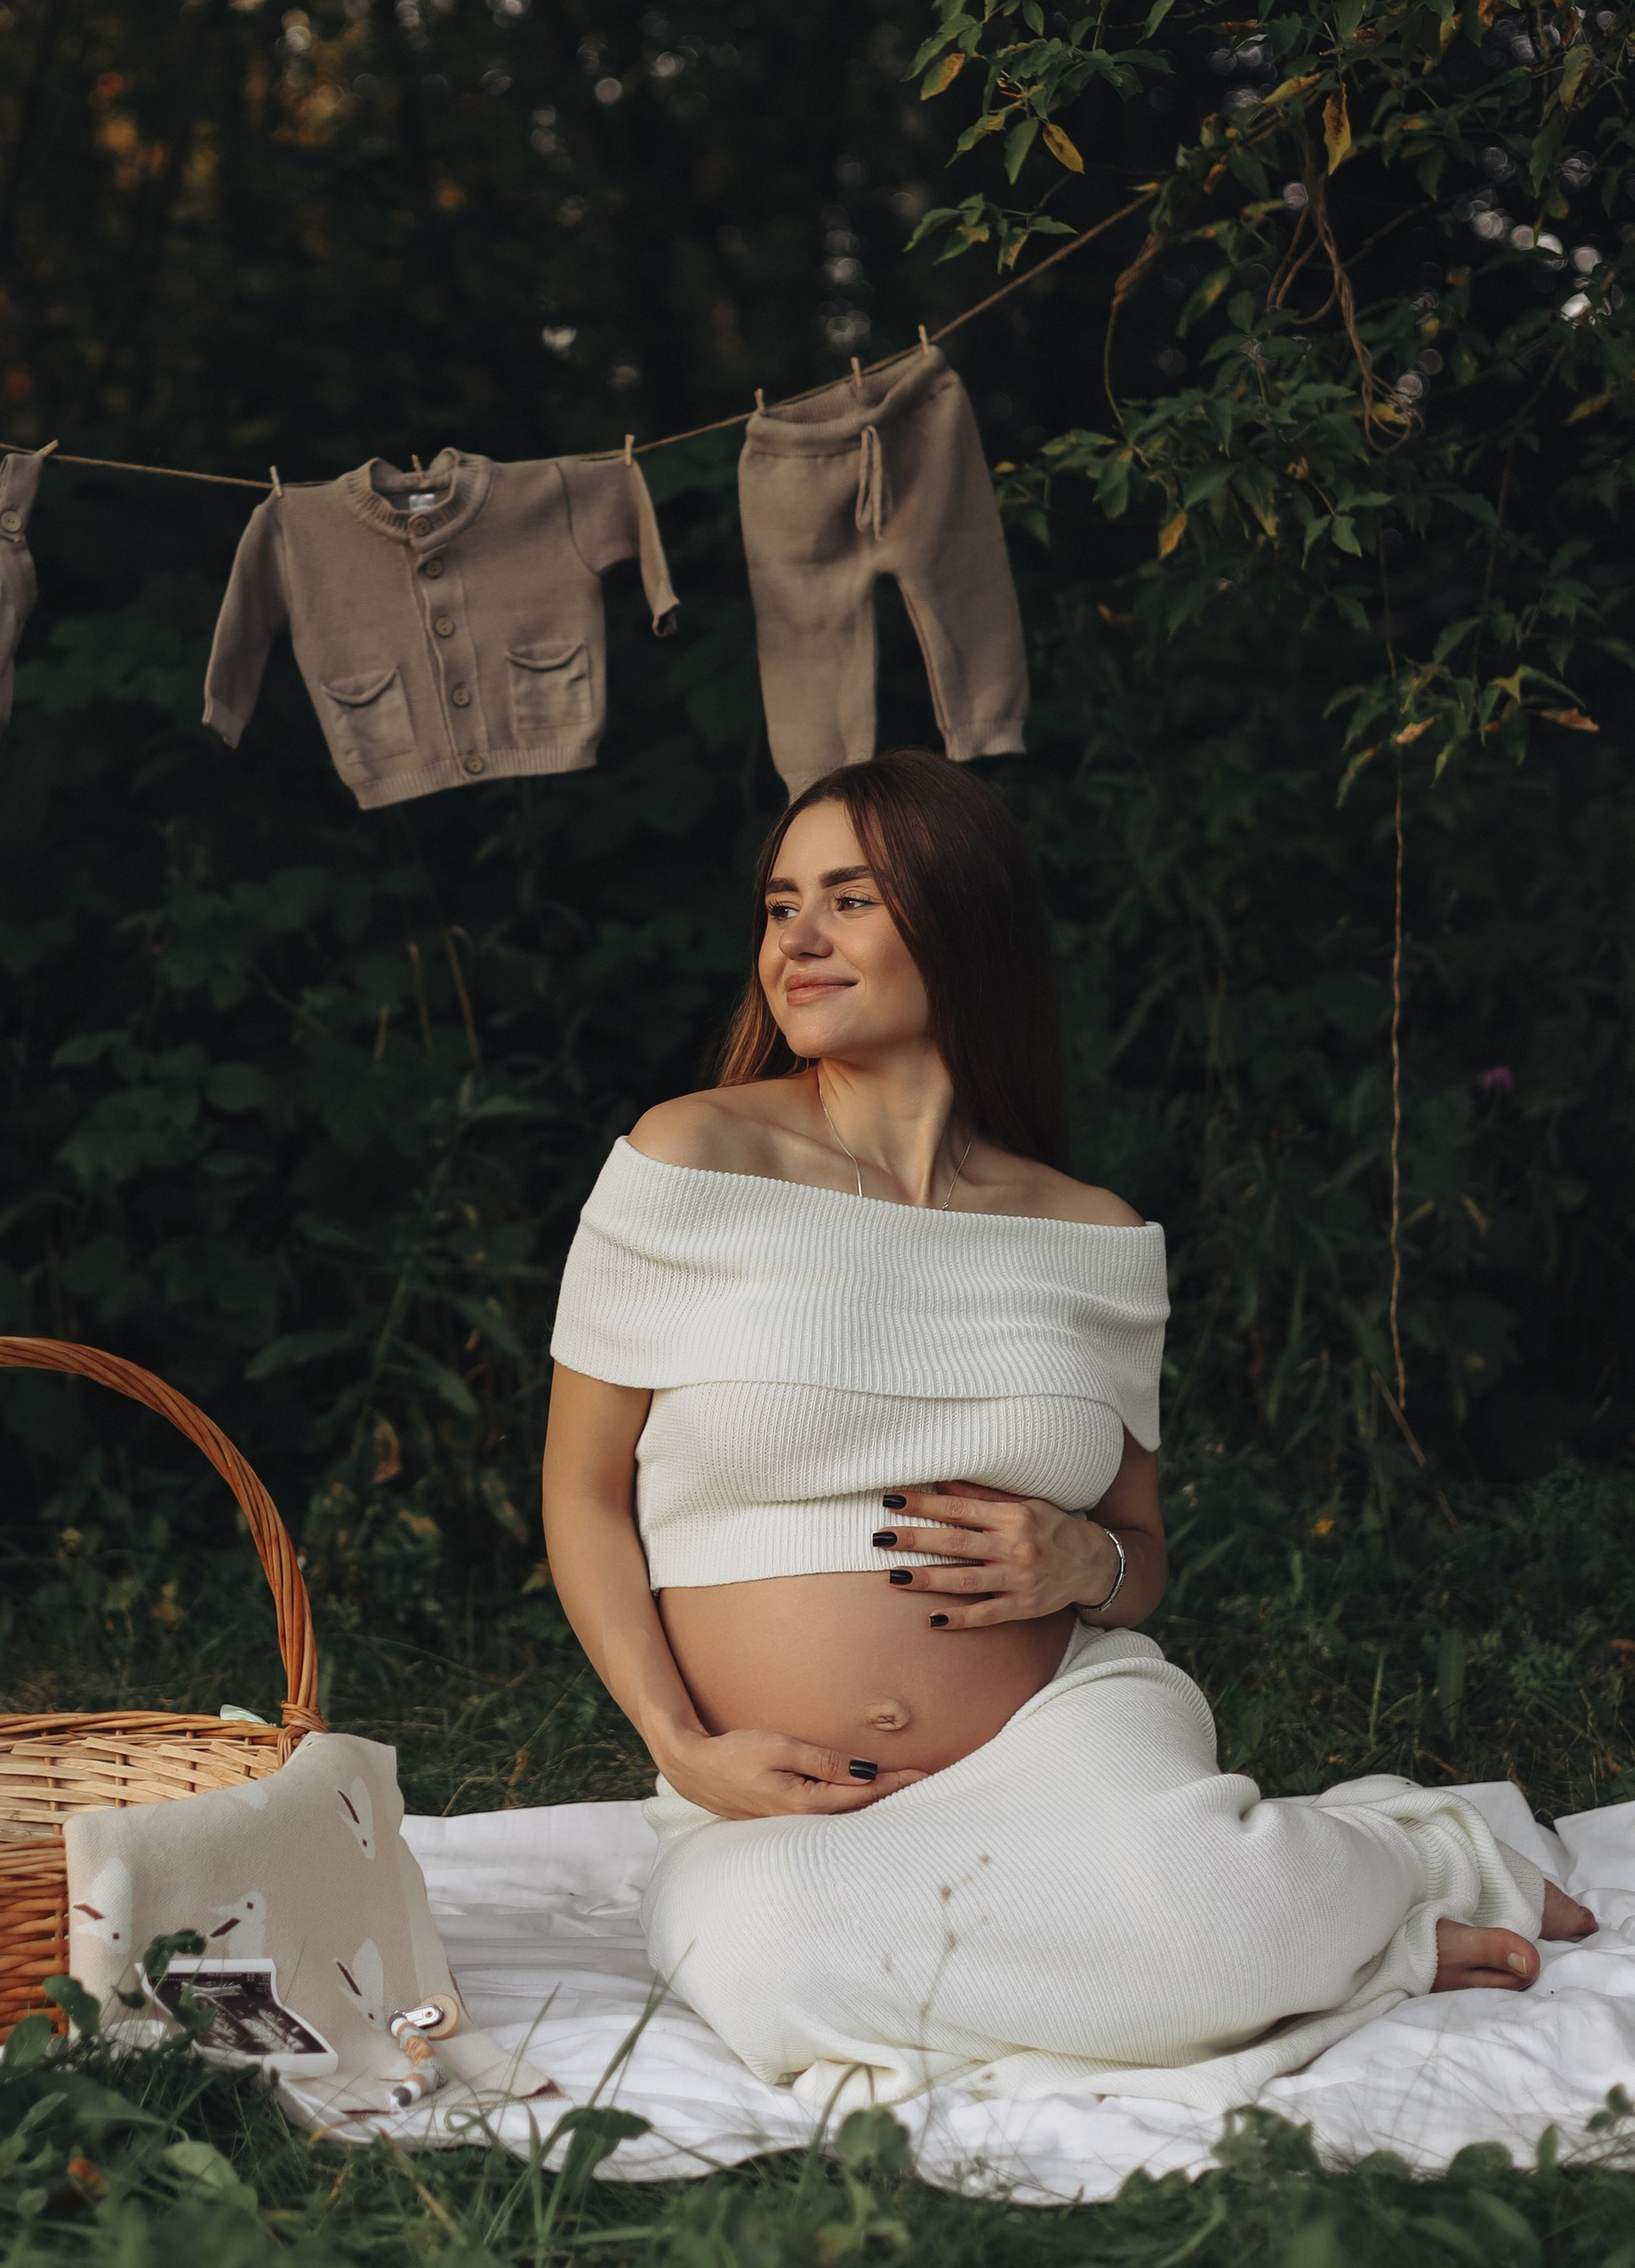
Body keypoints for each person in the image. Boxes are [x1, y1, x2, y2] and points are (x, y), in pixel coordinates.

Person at [542, 753, 1595, 2112]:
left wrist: (1081, 1564)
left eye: (848, 900)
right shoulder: (690, 1162)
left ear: (962, 922)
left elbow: (1140, 1553)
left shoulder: (1090, 1235)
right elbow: (581, 1498)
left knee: (1211, 1911)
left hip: (1061, 1732)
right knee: (756, 1952)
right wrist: (679, 1742)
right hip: (778, 1795)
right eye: (779, 903)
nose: (795, 939)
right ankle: (1341, 1914)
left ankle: (1400, 1863)